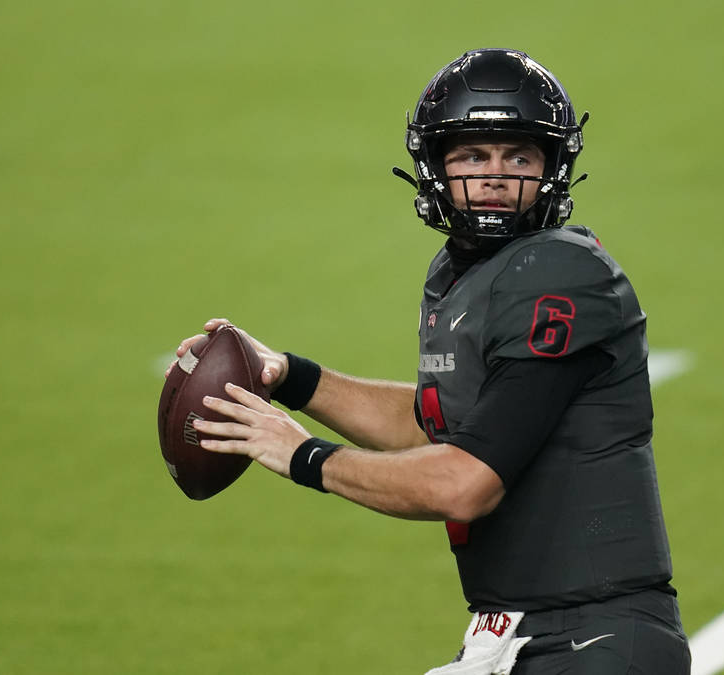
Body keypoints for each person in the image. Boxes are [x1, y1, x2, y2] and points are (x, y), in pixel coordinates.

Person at [170, 48, 690, 674]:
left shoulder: (561, 276)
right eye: (474, 155)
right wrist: (288, 375)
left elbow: (464, 483)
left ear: (552, 168)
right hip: (516, 635)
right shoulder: (462, 272)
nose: (496, 175)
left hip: (594, 639)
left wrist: (305, 455)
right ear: (435, 168)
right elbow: (436, 425)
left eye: (519, 157)